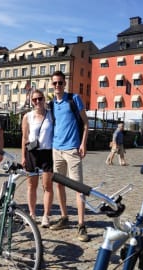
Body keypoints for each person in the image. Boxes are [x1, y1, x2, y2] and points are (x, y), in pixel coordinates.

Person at [49, 70, 90, 242]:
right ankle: (65, 217)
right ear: (52, 85)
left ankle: (81, 225)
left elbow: (86, 123)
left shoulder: (74, 99)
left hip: (72, 149)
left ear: (65, 84)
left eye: (60, 82)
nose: (57, 85)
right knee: (59, 185)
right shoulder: (51, 104)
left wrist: (83, 143)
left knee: (78, 188)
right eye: (55, 83)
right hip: (56, 149)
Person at [21, 90, 54, 227]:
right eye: (34, 100)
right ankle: (32, 214)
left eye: (40, 99)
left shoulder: (51, 115)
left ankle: (46, 215)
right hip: (32, 153)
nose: (37, 102)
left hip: (47, 153)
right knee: (31, 185)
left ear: (44, 99)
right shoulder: (27, 116)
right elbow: (24, 137)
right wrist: (23, 156)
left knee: (47, 186)